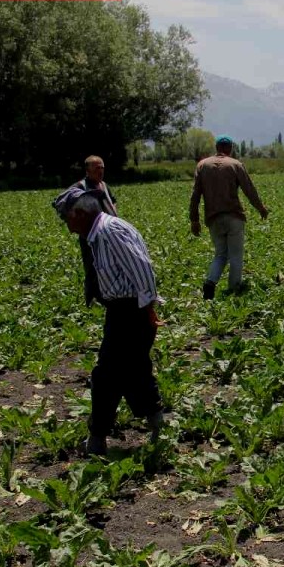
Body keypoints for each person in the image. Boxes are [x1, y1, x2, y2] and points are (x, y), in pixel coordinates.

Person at [52, 187, 165, 457]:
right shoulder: (99, 233)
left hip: (131, 311)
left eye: (67, 219)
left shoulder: (109, 232)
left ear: (80, 213)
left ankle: (97, 437)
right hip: (122, 310)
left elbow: (142, 270)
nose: (68, 227)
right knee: (135, 369)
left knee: (107, 376)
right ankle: (157, 421)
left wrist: (148, 308)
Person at [190, 135, 269, 299]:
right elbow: (249, 189)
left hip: (213, 218)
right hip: (234, 216)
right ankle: (234, 290)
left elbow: (195, 195)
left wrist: (194, 220)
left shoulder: (202, 165)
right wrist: (260, 208)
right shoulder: (235, 164)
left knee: (220, 254)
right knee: (236, 256)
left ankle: (210, 282)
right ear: (230, 148)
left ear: (217, 147)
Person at [72, 155, 118, 306]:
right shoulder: (80, 187)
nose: (100, 171)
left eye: (102, 168)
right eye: (96, 168)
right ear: (87, 170)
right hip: (89, 236)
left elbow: (113, 202)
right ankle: (91, 300)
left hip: (108, 234)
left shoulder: (103, 185)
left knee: (107, 266)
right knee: (92, 267)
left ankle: (105, 297)